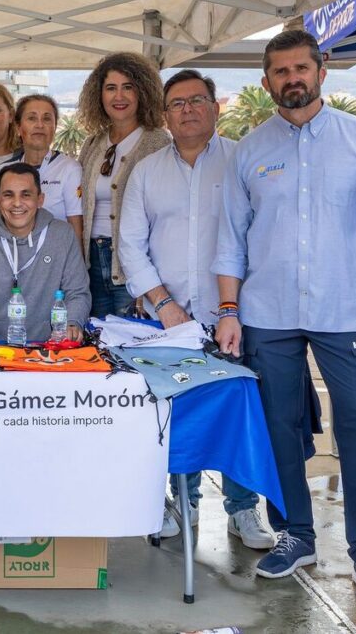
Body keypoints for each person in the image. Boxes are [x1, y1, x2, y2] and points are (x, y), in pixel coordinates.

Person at [213, 30, 356, 604]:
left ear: (321, 72)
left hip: (345, 310)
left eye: (301, 67)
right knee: (279, 427)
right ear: (266, 80)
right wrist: (229, 310)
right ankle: (295, 534)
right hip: (266, 313)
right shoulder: (249, 150)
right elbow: (231, 242)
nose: (292, 78)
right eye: (280, 70)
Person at [118, 69, 274, 549]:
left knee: (238, 412)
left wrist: (237, 306)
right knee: (177, 413)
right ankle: (180, 502)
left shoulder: (241, 161)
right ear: (164, 115)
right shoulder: (146, 172)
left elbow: (261, 237)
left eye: (197, 100)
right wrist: (162, 304)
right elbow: (130, 244)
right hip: (167, 322)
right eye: (177, 103)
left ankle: (243, 510)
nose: (187, 110)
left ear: (215, 107)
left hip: (233, 315)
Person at [77, 53, 171, 317]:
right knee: (96, 343)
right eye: (111, 88)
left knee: (129, 345)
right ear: (100, 95)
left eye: (128, 87)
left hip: (134, 265)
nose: (119, 96)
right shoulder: (93, 143)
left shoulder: (158, 142)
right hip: (92, 264)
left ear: (142, 92)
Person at [0, 162, 89, 343]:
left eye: (26, 195)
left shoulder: (62, 234)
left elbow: (77, 291)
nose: (17, 203)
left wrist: (73, 323)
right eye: (8, 195)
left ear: (40, 199)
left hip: (51, 345)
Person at [0, 94, 83, 240]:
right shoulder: (2, 172)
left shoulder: (70, 169)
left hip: (58, 256)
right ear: (18, 127)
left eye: (47, 119)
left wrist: (78, 262)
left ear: (55, 127)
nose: (40, 125)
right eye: (32, 118)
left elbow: (76, 228)